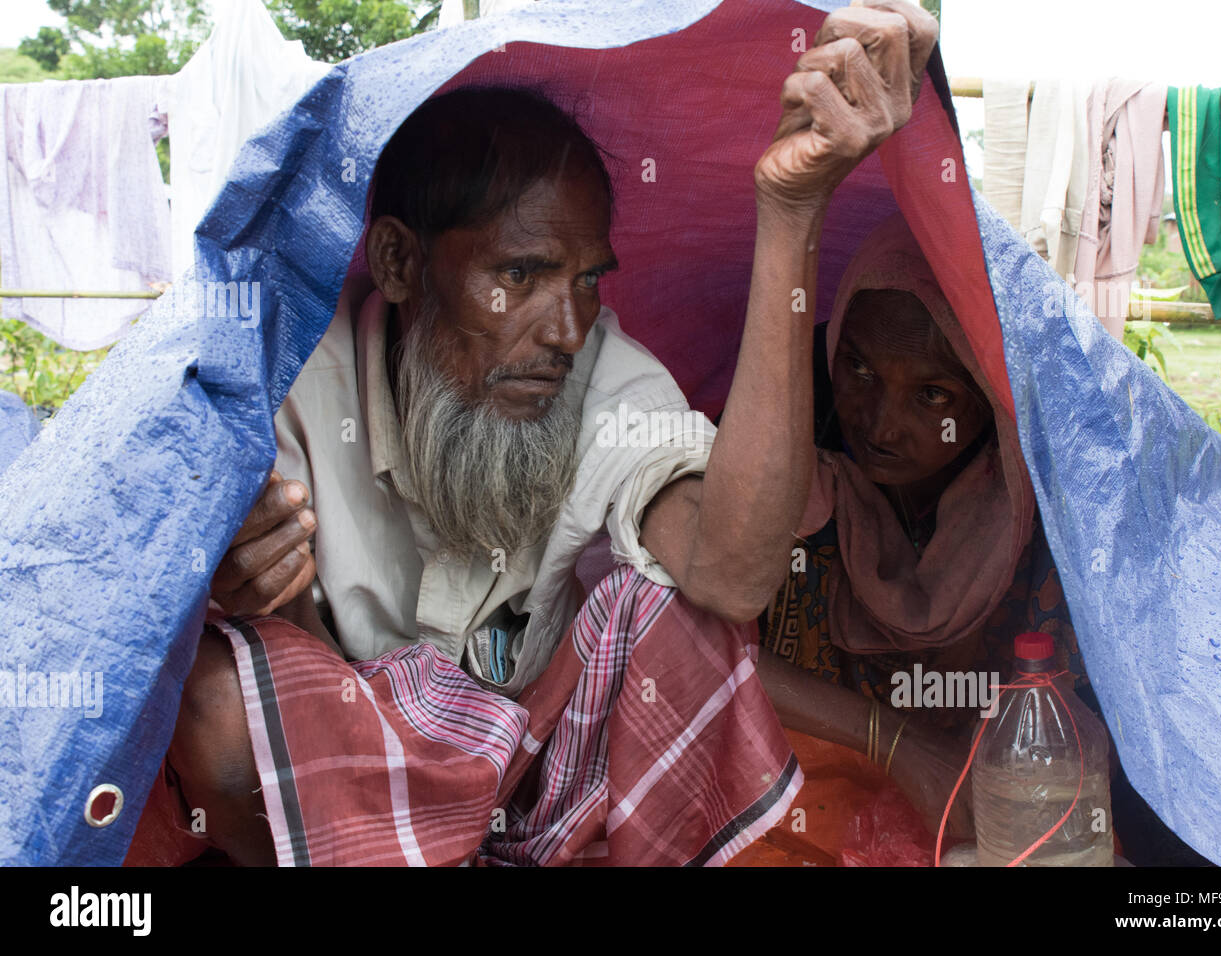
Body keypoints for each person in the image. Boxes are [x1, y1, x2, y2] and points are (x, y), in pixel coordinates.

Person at [126, 4, 943, 865]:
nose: (565, 329)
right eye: (520, 275)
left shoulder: (602, 375)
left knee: (679, 617)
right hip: (359, 787)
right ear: (401, 263)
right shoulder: (293, 385)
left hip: (541, 785)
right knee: (220, 698)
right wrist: (264, 590)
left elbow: (731, 574)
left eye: (588, 279)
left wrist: (791, 210)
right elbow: (271, 668)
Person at [754, 214, 1094, 843]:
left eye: (933, 396)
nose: (880, 426)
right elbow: (706, 656)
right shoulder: (790, 487)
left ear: (989, 397)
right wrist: (898, 745)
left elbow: (1063, 740)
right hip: (804, 820)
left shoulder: (1046, 523)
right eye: (858, 370)